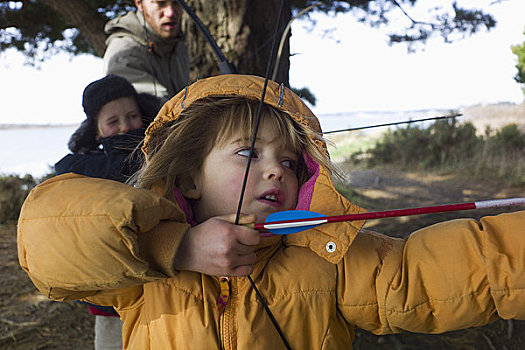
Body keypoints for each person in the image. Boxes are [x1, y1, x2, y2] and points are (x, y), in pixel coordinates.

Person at [18, 75, 525, 349]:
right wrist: (175, 247)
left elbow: (443, 273)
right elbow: (47, 241)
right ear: (189, 177)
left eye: (288, 160)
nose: (275, 171)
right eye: (247, 153)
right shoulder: (143, 271)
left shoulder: (328, 257)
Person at [54, 74, 161, 350]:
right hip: (111, 297)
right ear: (97, 131)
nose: (126, 127)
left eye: (133, 116)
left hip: (161, 289)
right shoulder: (84, 168)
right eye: (113, 122)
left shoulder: (162, 155)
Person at [103, 0, 190, 101]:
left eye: (177, 2)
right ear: (140, 4)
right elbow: (160, 112)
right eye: (160, 3)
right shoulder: (125, 53)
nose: (170, 13)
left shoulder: (177, 44)